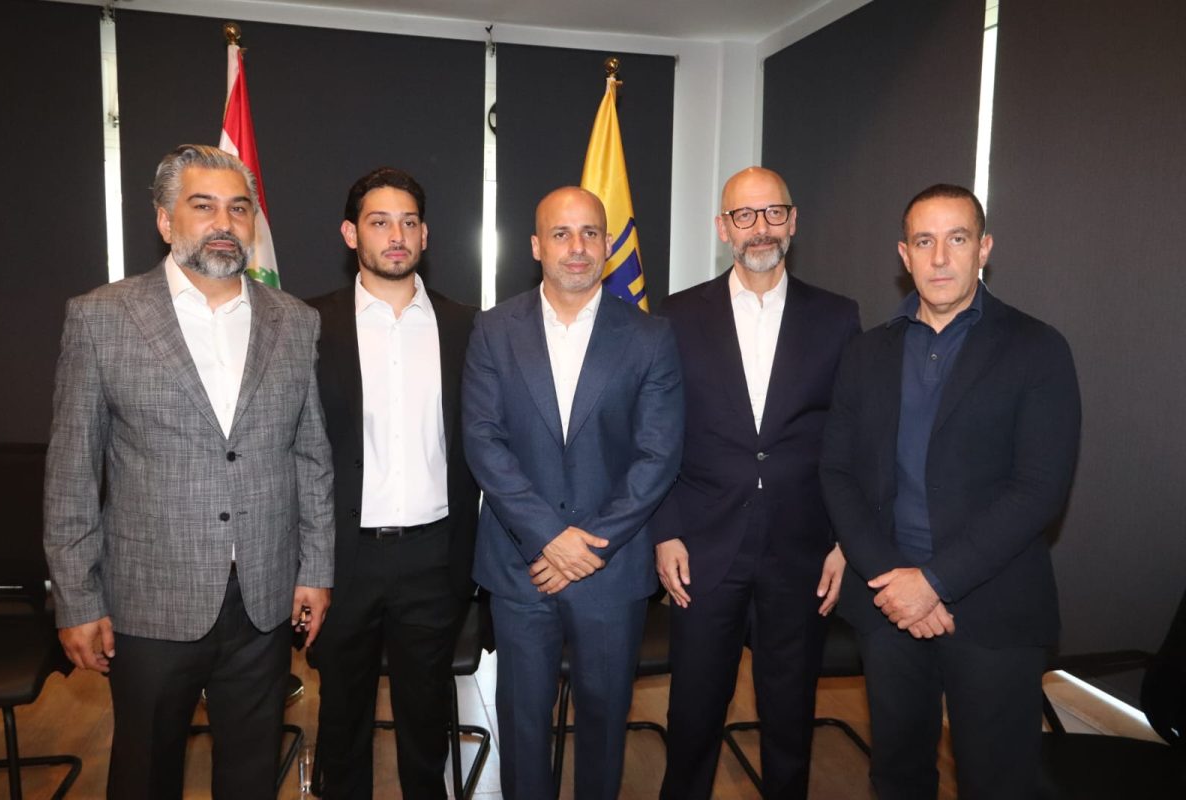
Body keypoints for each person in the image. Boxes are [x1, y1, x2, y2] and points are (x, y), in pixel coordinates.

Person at [43, 143, 335, 799]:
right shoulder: (101, 317)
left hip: (263, 598)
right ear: (164, 219)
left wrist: (316, 569)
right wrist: (77, 598)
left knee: (251, 775)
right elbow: (71, 472)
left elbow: (311, 457)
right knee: (144, 775)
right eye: (203, 206)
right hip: (149, 602)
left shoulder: (295, 323)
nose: (224, 223)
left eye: (239, 208)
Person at [820, 184, 1081, 799]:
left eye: (957, 239)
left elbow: (1039, 489)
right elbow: (836, 472)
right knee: (898, 775)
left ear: (983, 248)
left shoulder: (1037, 348)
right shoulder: (866, 352)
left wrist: (933, 583)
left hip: (993, 610)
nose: (939, 258)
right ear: (904, 255)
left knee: (996, 782)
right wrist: (892, 580)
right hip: (888, 607)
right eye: (924, 242)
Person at [462, 186, 684, 799]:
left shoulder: (650, 336)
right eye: (561, 234)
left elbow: (657, 455)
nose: (577, 247)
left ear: (608, 245)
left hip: (609, 568)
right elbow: (483, 442)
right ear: (537, 246)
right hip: (521, 566)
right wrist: (548, 538)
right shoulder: (493, 330)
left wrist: (588, 546)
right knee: (522, 723)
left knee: (605, 725)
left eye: (590, 233)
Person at [653, 166, 861, 799]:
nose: (760, 228)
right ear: (724, 228)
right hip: (702, 548)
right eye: (744, 215)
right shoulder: (676, 315)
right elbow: (656, 433)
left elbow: (853, 438)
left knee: (790, 720)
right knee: (692, 717)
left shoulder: (837, 317)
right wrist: (665, 531)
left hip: (802, 552)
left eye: (773, 213)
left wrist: (845, 541)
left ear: (792, 222)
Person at [307, 167, 480, 799]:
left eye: (409, 222)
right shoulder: (308, 324)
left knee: (426, 722)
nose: (396, 235)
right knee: (341, 719)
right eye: (380, 222)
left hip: (434, 556)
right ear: (351, 234)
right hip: (341, 557)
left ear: (426, 235)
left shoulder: (467, 327)